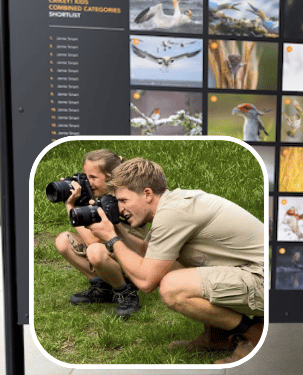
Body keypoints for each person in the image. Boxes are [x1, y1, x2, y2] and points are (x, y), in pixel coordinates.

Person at [87, 157, 264, 364]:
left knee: (172, 286)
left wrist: (111, 238)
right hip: (252, 271)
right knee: (171, 266)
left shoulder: (172, 213)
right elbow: (147, 251)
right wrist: (116, 229)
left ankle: (251, 335)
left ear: (147, 194)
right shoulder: (172, 205)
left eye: (123, 201)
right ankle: (216, 338)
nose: (119, 208)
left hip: (262, 280)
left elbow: (146, 282)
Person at [55, 149, 147, 318]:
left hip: (133, 259)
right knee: (63, 240)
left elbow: (92, 241)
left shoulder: (115, 201)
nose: (87, 182)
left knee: (95, 251)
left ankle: (126, 293)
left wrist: (71, 206)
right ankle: (102, 288)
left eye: (93, 177)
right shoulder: (99, 196)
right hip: (111, 252)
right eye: (85, 176)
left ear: (111, 178)